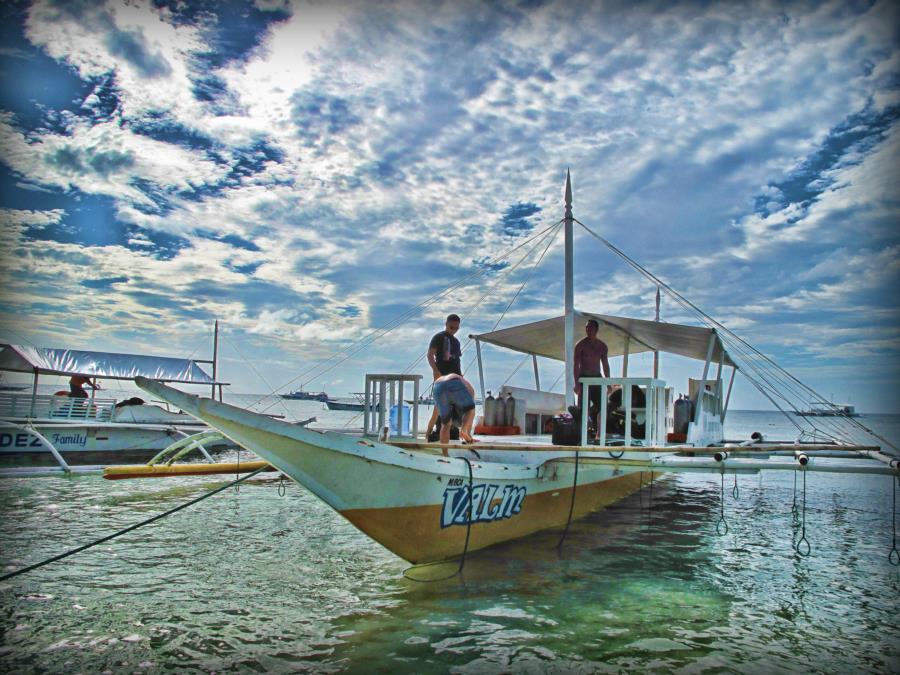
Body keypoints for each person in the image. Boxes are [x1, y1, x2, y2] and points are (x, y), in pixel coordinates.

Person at [425, 314, 462, 439]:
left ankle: (452, 430)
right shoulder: (439, 337)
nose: (453, 330)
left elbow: (457, 361)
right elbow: (430, 355)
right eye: (451, 327)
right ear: (446, 324)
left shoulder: (456, 342)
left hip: (455, 377)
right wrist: (435, 371)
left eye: (456, 328)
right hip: (442, 375)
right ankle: (431, 432)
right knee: (439, 406)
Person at [572, 319, 610, 429]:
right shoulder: (580, 345)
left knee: (603, 407)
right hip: (584, 378)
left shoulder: (602, 346)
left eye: (591, 327)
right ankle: (584, 434)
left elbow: (605, 365)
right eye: (586, 327)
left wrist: (608, 382)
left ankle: (599, 434)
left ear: (596, 330)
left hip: (597, 379)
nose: (588, 330)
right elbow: (576, 365)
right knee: (583, 408)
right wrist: (577, 384)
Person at [432, 373, 476, 444]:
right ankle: (463, 431)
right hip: (453, 382)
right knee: (471, 409)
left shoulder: (457, 381)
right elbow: (469, 411)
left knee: (445, 424)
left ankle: (445, 454)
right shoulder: (466, 385)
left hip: (437, 386)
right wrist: (467, 433)